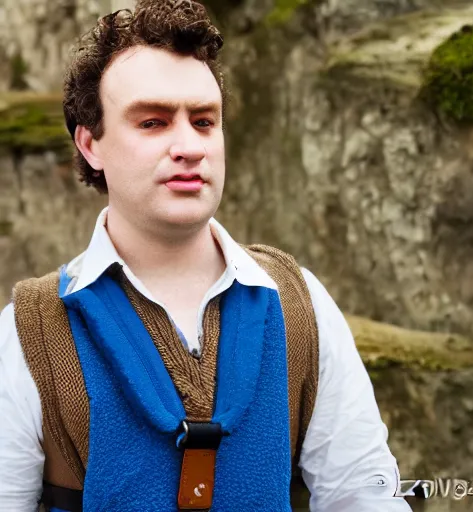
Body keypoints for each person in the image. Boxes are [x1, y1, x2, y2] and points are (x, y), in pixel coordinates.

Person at [0, 1, 412, 510]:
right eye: (152, 121)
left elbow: (363, 495)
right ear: (91, 144)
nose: (188, 146)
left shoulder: (299, 305)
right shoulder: (30, 332)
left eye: (203, 121)